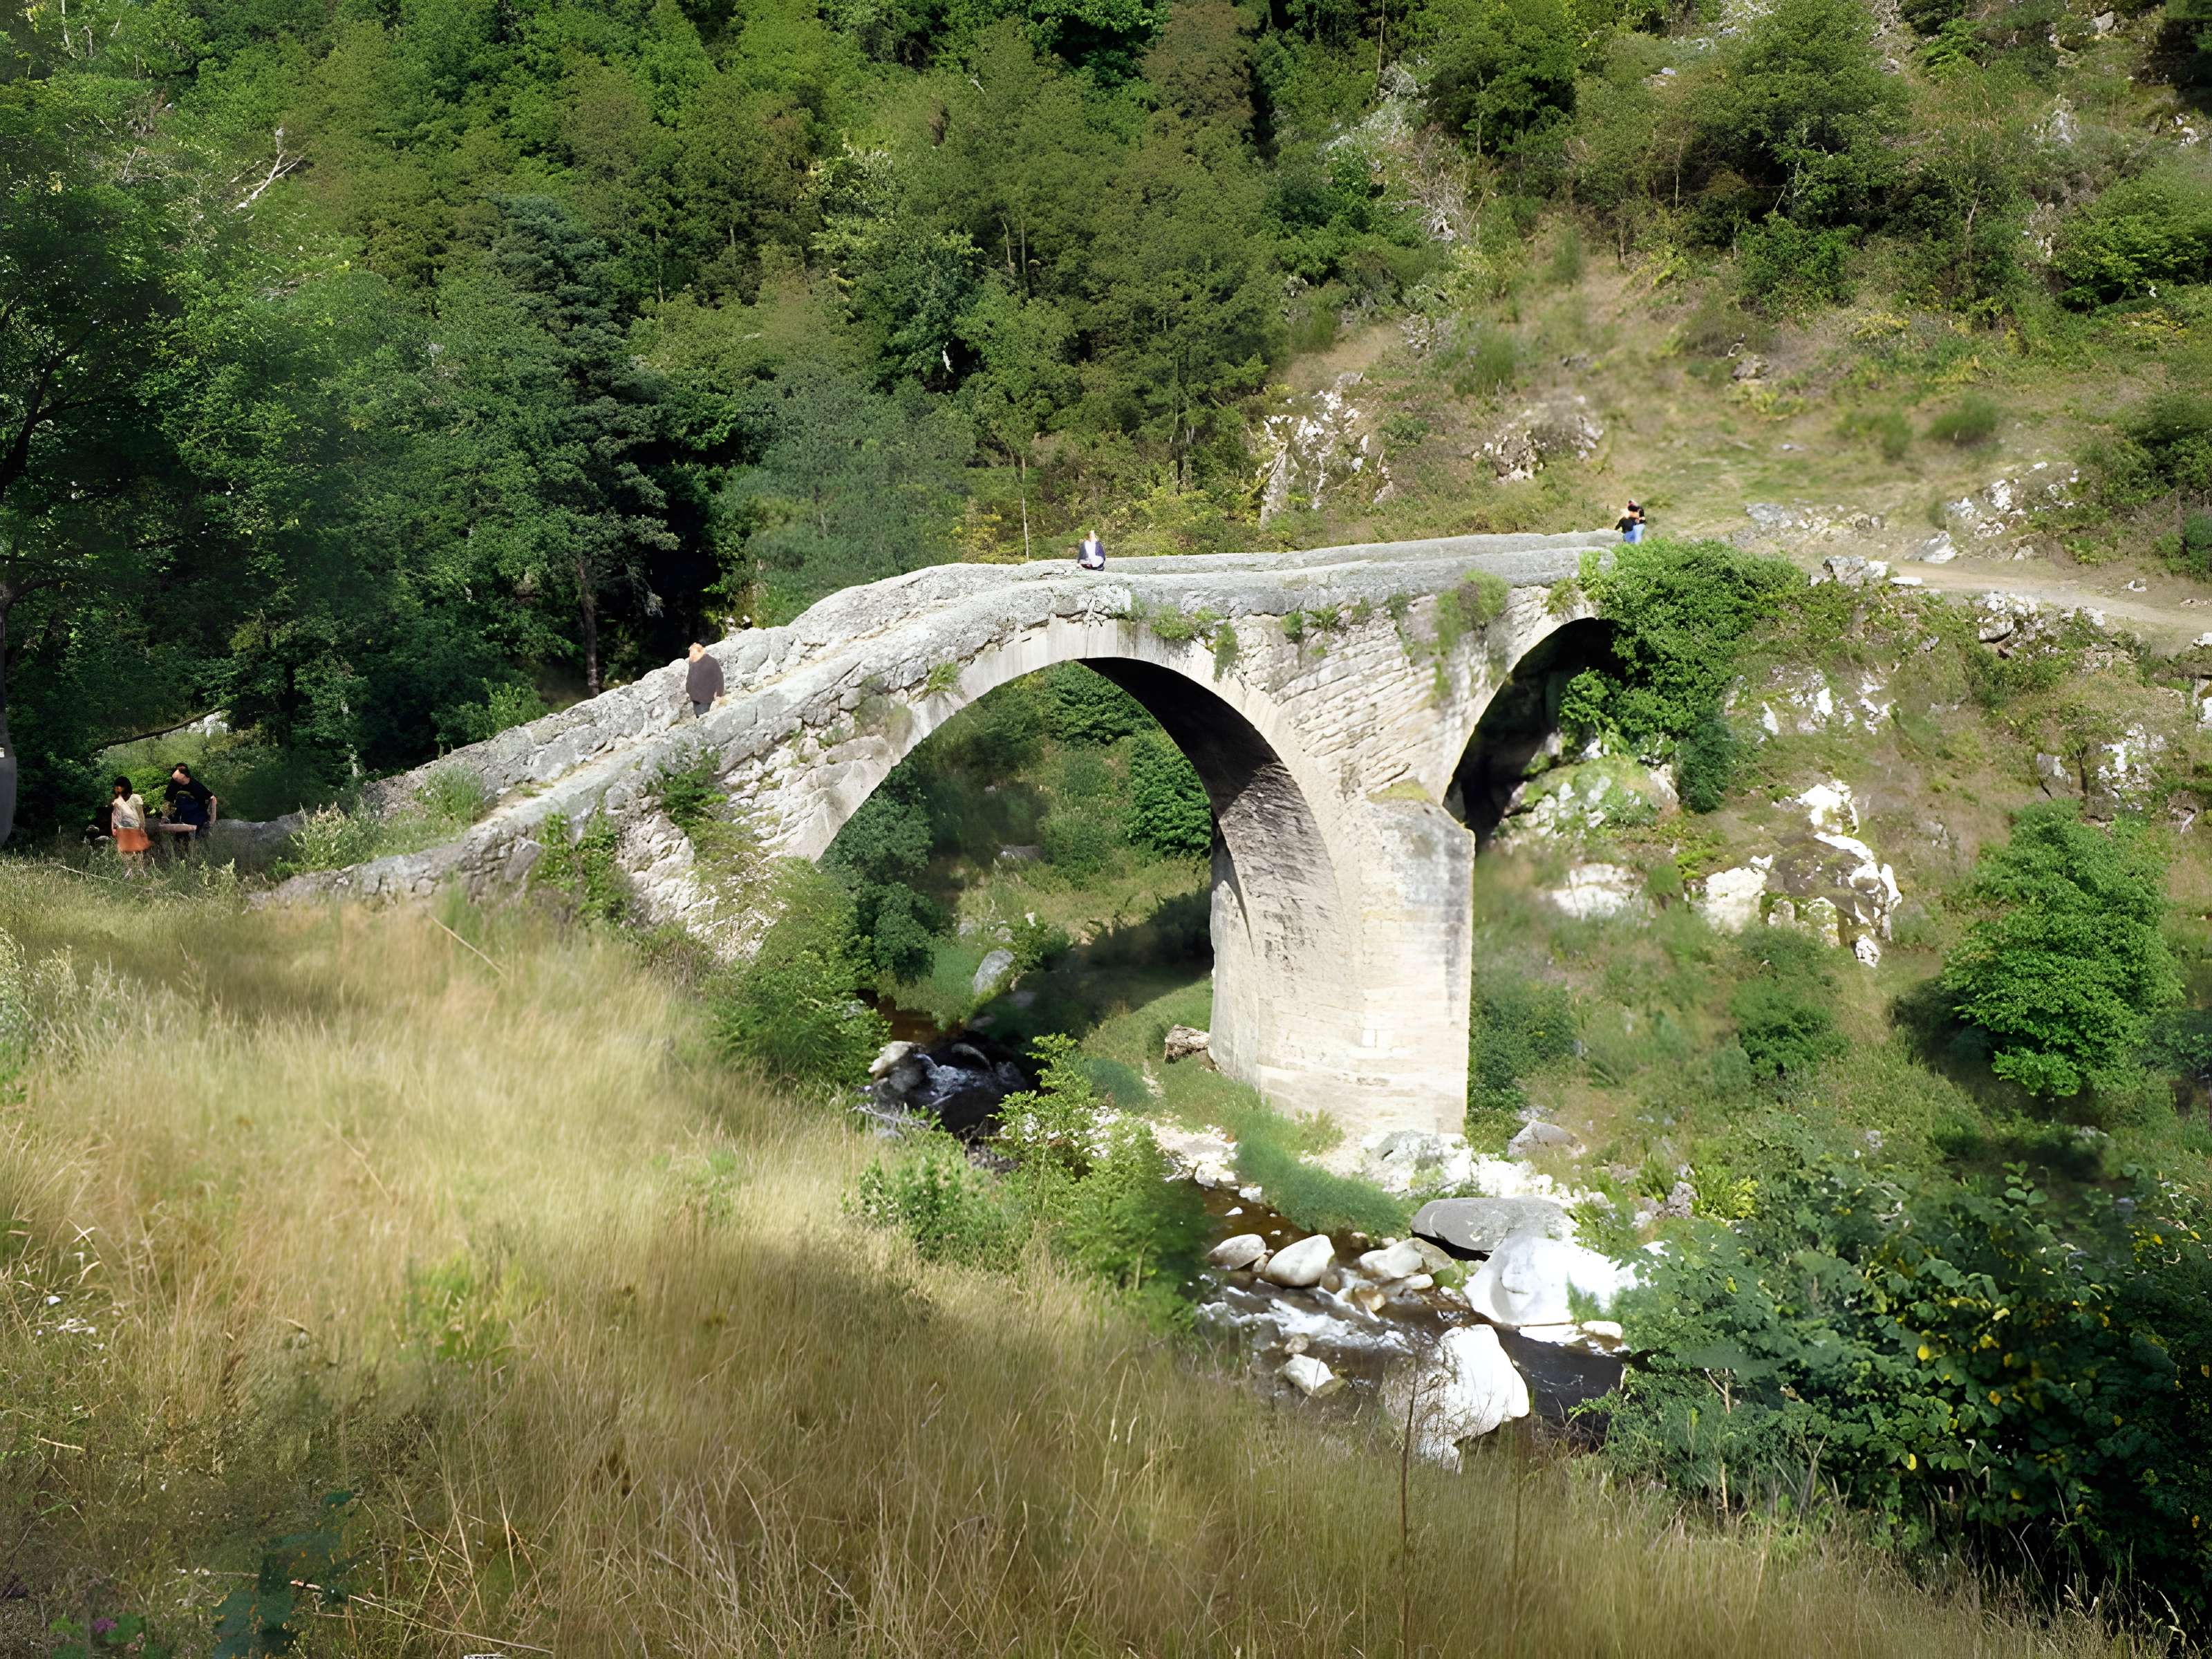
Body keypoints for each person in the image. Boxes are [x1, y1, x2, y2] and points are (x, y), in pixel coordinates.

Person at [162, 763, 214, 847]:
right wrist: (164, 816)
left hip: (196, 815)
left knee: (194, 836)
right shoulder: (173, 785)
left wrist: (212, 819)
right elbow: (168, 800)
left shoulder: (196, 785)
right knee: (179, 837)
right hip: (181, 815)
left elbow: (212, 798)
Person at [109, 777, 150, 875]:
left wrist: (142, 829)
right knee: (126, 856)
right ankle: (129, 874)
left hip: (135, 830)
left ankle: (140, 874)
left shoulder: (135, 799)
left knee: (137, 854)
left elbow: (141, 816)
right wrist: (114, 828)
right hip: (123, 832)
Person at [685, 641, 724, 719]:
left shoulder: (711, 661)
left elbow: (719, 678)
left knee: (703, 717)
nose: (691, 655)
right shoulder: (693, 663)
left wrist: (719, 694)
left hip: (706, 697)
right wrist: (689, 691)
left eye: (692, 652)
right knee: (698, 717)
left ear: (699, 651)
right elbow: (689, 678)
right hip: (695, 698)